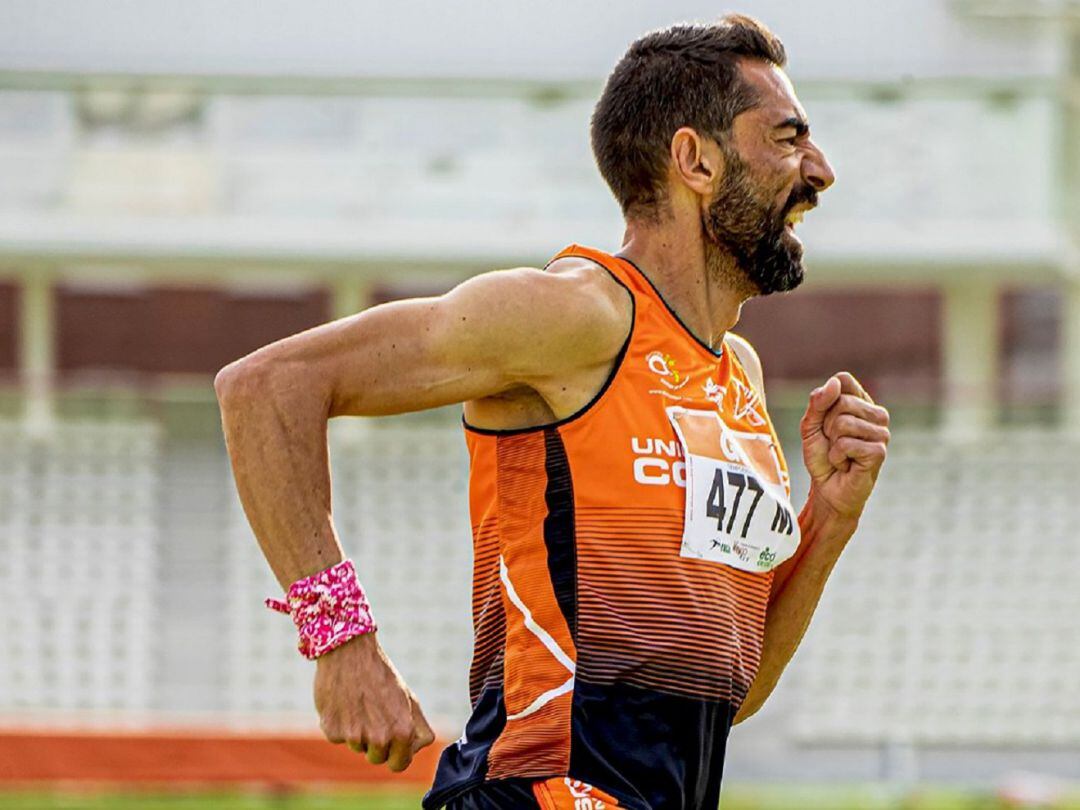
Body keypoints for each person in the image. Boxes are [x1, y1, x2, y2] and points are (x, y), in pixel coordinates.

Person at [215, 13, 890, 810]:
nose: (821, 169)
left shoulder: (737, 376)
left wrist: (830, 520)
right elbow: (266, 387)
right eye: (786, 138)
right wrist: (341, 643)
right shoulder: (574, 316)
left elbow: (730, 691)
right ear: (694, 160)